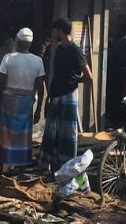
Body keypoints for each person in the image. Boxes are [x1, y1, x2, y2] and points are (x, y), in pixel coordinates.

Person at [39, 18, 92, 171]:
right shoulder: (59, 49)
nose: (55, 33)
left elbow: (89, 76)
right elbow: (56, 75)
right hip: (56, 94)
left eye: (56, 30)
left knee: (68, 134)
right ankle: (53, 166)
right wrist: (49, 96)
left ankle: (68, 168)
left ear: (61, 31)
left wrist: (74, 81)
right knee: (53, 132)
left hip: (68, 96)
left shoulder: (76, 50)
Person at [0, 28, 46, 170]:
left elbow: (0, 84)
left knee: (6, 134)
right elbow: (41, 89)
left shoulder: (8, 58)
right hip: (26, 103)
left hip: (8, 101)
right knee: (22, 137)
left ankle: (2, 167)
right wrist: (38, 109)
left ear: (19, 42)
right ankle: (20, 167)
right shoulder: (38, 61)